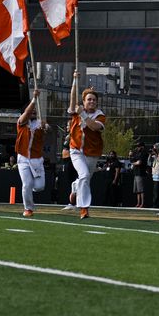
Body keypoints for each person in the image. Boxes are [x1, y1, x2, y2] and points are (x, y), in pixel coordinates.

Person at [67, 77, 107, 219]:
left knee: (85, 179)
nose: (91, 102)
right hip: (76, 150)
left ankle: (75, 187)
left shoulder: (100, 115)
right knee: (84, 175)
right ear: (83, 101)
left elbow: (94, 126)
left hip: (92, 152)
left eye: (94, 100)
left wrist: (82, 114)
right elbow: (72, 101)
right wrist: (75, 81)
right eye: (88, 99)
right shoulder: (76, 111)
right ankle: (84, 208)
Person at [15, 98, 45, 217]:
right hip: (23, 159)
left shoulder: (39, 123)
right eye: (31, 110)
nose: (33, 112)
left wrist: (46, 127)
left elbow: (48, 128)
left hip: (37, 159)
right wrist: (33, 100)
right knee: (26, 184)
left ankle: (30, 189)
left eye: (35, 111)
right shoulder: (21, 122)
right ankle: (28, 208)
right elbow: (26, 114)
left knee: (39, 187)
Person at [130, 142, 148, 208]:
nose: (137, 148)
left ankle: (142, 203)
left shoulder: (144, 153)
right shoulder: (137, 153)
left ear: (142, 146)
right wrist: (131, 156)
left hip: (141, 173)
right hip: (136, 173)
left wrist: (134, 162)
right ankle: (138, 203)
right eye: (137, 146)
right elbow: (132, 161)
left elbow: (139, 163)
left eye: (139, 146)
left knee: (141, 190)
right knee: (137, 190)